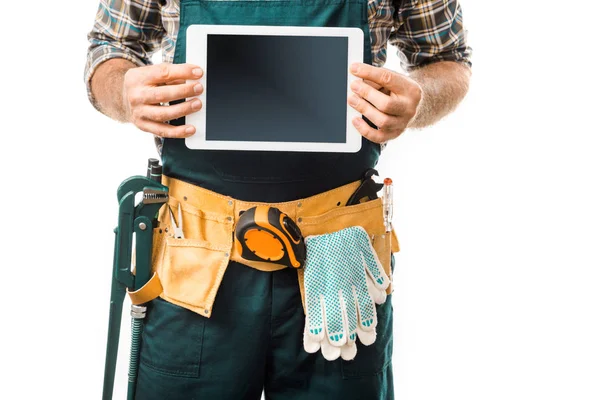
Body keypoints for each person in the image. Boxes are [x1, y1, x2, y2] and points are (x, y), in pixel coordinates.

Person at [85, 0, 471, 399]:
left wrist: (420, 99)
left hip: (339, 259)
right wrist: (123, 92)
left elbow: (448, 59)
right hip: (194, 265)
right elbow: (108, 47)